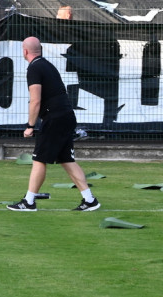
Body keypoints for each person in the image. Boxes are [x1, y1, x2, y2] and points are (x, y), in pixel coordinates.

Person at [7, 36, 100, 212]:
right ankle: (90, 200)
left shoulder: (34, 68)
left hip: (55, 119)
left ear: (25, 51)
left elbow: (35, 100)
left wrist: (30, 126)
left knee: (39, 159)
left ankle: (29, 202)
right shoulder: (47, 65)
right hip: (66, 116)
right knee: (67, 160)